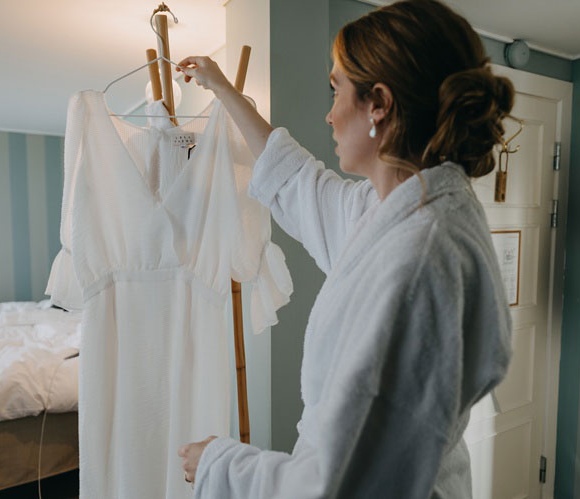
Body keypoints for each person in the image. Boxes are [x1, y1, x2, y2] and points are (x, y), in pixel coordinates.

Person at [171, 1, 514, 496]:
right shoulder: (393, 211)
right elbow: (295, 179)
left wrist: (220, 463)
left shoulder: (418, 259)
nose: (328, 116)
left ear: (378, 103)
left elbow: (344, 484)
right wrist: (225, 91)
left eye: (335, 91)